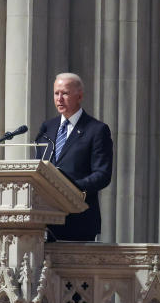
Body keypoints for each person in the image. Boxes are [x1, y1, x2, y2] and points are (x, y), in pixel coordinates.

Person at [35, 72, 113, 242]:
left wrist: (70, 188)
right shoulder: (47, 128)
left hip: (79, 220)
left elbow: (102, 175)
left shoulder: (96, 130)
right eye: (56, 93)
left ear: (79, 96)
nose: (59, 99)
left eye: (65, 93)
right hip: (45, 220)